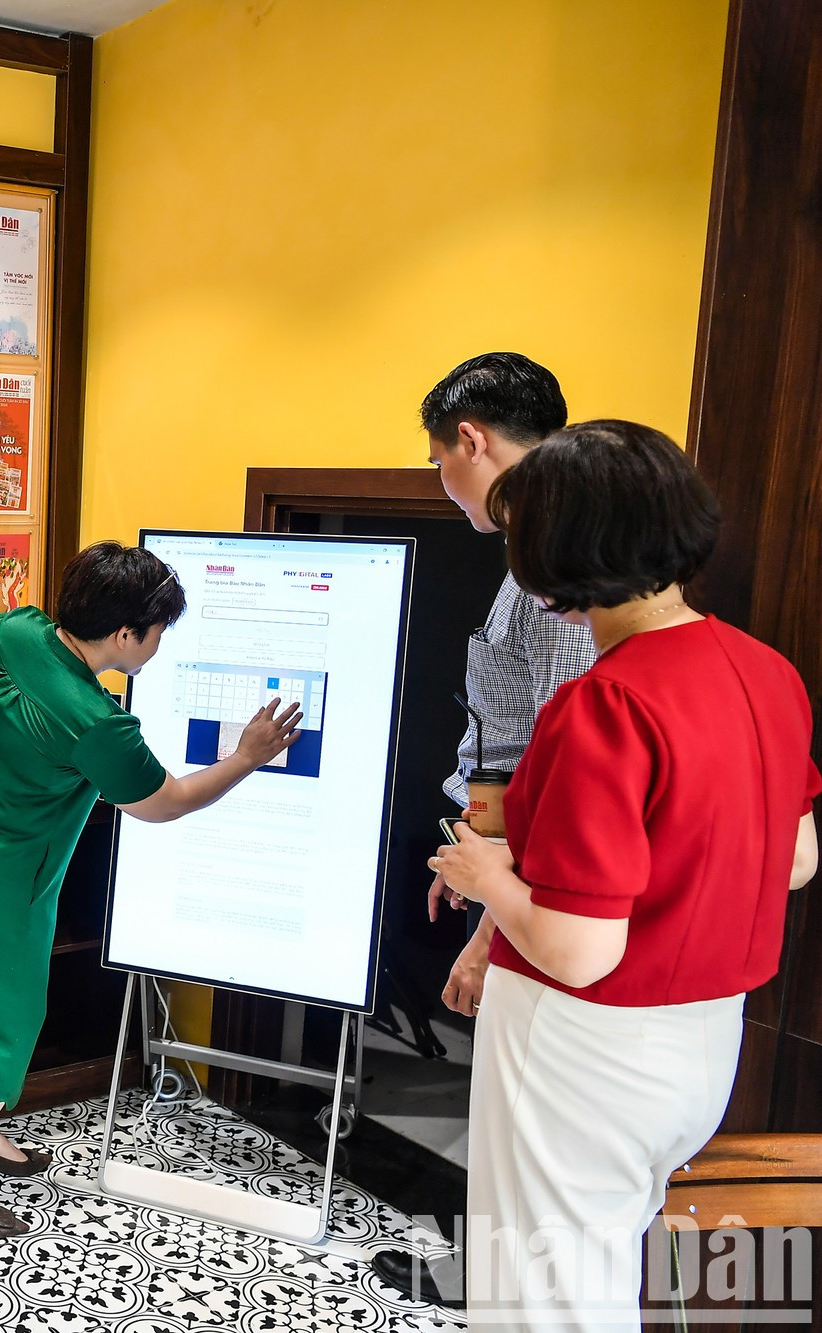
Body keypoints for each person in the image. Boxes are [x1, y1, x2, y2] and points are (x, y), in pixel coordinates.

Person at [433, 420, 819, 1328]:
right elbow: (797, 859)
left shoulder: (602, 702)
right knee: (601, 1272)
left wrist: (489, 874)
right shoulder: (769, 673)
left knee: (545, 1300)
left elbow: (576, 948)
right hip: (703, 1046)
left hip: (583, 1048)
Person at [0, 541, 302, 1237]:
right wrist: (247, 756)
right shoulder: (98, 721)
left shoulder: (13, 629)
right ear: (127, 633)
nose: (160, 641)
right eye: (160, 630)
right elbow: (166, 802)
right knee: (1, 1013)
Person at [371, 351, 597, 1303]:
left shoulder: (566, 581)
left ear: (470, 439)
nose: (442, 481)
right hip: (517, 879)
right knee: (510, 1121)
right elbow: (502, 753)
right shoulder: (526, 569)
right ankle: (493, 1271)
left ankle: (512, 1284)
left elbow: (561, 777)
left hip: (561, 911)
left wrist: (490, 923)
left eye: (438, 462)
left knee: (544, 1136)